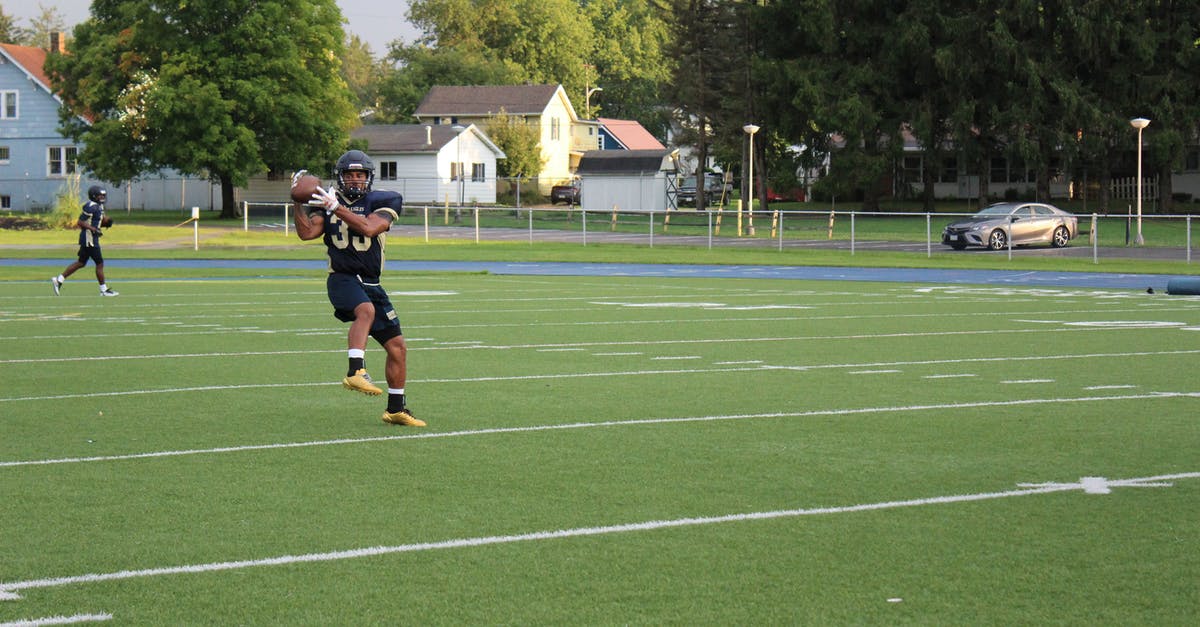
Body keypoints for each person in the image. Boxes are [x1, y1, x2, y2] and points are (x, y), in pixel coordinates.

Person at [292, 150, 424, 427]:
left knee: (398, 347)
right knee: (365, 310)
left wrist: (334, 208)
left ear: (369, 177)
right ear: (340, 177)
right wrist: (297, 202)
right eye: (350, 175)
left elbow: (369, 228)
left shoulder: (384, 200)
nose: (355, 180)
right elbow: (306, 233)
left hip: (372, 283)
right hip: (342, 278)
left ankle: (395, 409)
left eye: (360, 175)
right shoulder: (328, 202)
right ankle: (355, 370)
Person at [52, 185, 118, 297]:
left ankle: (59, 280)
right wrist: (94, 229)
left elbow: (96, 220)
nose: (102, 197)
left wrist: (106, 222)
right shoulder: (91, 206)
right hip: (89, 239)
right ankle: (103, 290)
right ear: (93, 196)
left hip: (91, 238)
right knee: (99, 263)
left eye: (103, 195)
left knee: (81, 263)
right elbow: (80, 222)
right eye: (100, 195)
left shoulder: (99, 206)